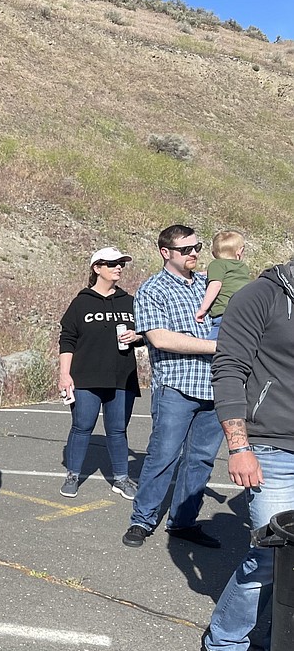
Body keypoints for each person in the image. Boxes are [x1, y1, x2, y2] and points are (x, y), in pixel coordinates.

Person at [199, 257, 294, 651]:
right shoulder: (261, 295)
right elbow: (229, 368)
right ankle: (224, 643)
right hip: (271, 447)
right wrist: (239, 447)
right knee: (272, 555)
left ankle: (282, 645)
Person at [121, 224, 222, 548]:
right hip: (177, 386)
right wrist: (217, 346)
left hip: (215, 387)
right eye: (186, 249)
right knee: (163, 456)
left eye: (197, 247)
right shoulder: (153, 290)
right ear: (166, 252)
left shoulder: (207, 283)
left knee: (202, 460)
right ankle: (142, 520)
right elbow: (159, 338)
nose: (194, 253)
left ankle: (183, 521)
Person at [57, 247, 143, 500]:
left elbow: (148, 333)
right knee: (82, 426)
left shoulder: (130, 301)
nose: (118, 268)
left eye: (121, 264)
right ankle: (73, 474)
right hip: (85, 377)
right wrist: (65, 374)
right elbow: (67, 340)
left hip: (121, 377)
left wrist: (137, 336)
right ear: (97, 268)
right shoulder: (81, 302)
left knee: (117, 430)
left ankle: (121, 478)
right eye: (112, 264)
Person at [195, 230, 251, 340]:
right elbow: (229, 276)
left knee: (211, 344)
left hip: (225, 313)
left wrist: (202, 309)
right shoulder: (242, 267)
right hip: (245, 313)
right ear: (240, 251)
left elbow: (215, 285)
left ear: (213, 253)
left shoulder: (216, 264)